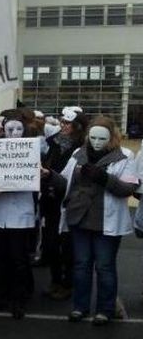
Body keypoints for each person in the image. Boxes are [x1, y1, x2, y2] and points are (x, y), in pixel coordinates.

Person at [45, 116, 139, 326]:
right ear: (88, 135)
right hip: (80, 219)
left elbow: (127, 189)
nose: (97, 142)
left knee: (105, 267)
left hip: (107, 222)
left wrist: (103, 177)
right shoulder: (79, 154)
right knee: (81, 266)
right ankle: (80, 306)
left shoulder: (124, 156)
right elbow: (64, 182)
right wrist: (48, 175)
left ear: (111, 137)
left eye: (102, 138)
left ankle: (105, 309)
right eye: (93, 137)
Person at [0, 111, 37, 319]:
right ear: (3, 130)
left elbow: (42, 177)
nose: (14, 133)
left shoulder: (33, 149)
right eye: (9, 129)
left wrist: (43, 174)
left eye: (18, 129)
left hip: (20, 213)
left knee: (18, 259)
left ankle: (18, 299)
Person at [39, 108, 87, 300]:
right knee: (50, 243)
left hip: (70, 200)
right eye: (63, 123)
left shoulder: (82, 147)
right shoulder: (53, 142)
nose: (64, 126)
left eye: (68, 124)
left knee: (67, 246)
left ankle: (67, 283)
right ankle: (55, 280)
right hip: (51, 198)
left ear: (77, 127)